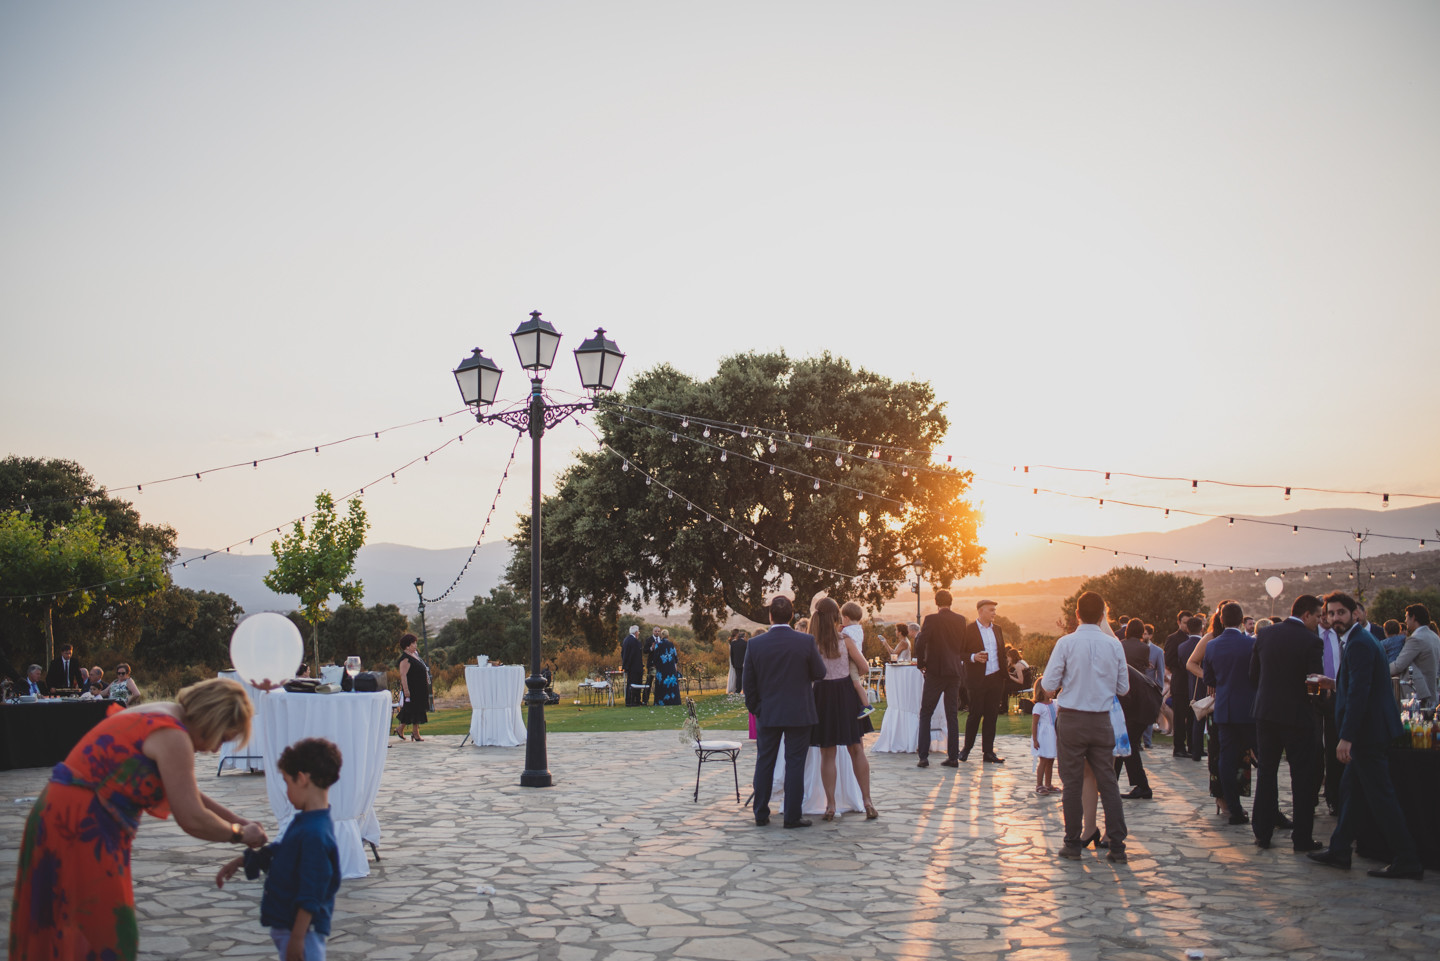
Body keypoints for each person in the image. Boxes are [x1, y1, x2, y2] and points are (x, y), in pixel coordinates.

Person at [9, 678, 268, 959]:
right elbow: (191, 816)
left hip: (59, 813)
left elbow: (184, 788)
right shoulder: (173, 735)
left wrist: (237, 819)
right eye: (223, 737)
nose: (217, 749)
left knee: (66, 928)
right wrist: (239, 834)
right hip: (83, 827)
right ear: (214, 718)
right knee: (107, 935)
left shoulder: (161, 713)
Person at [1308, 592, 1423, 880]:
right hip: (1371, 731)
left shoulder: (1358, 643)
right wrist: (1331, 682)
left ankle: (1407, 858)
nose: (1335, 618)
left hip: (1367, 735)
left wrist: (1346, 737)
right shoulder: (1359, 641)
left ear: (1354, 614)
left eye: (1341, 613)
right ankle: (1340, 850)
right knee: (1352, 794)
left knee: (1381, 798)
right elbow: (1359, 681)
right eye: (1331, 614)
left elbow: (1361, 694)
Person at [218, 738, 342, 961]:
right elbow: (285, 852)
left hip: (304, 932)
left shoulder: (315, 833)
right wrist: (243, 861)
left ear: (302, 779)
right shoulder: (307, 821)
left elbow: (313, 889)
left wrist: (298, 937)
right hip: (291, 926)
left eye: (287, 783)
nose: (286, 792)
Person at [1041, 591, 1130, 863]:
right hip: (1101, 720)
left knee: (1072, 782)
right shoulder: (1114, 645)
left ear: (1077, 614)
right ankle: (1117, 846)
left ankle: (1072, 843)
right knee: (1108, 782)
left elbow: (1047, 685)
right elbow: (1123, 688)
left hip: (1071, 719)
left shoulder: (1066, 643)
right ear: (1103, 614)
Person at [1249, 594, 1325, 852]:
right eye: (1317, 616)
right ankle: (1301, 839)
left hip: (1266, 714)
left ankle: (1262, 832)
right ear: (1305, 615)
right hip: (1298, 717)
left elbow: (1253, 675)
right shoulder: (1312, 641)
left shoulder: (1266, 635)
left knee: (1267, 773)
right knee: (1301, 777)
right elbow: (1313, 684)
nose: (1320, 620)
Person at [744, 595, 825, 828]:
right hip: (799, 712)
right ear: (792, 616)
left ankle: (760, 813)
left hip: (768, 712)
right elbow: (819, 672)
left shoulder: (755, 644)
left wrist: (757, 708)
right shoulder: (806, 642)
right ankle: (791, 815)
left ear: (770, 616)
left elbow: (748, 683)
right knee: (795, 764)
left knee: (764, 762)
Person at [811, 598, 878, 820]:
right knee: (856, 749)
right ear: (836, 617)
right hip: (845, 695)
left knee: (827, 753)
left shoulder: (812, 642)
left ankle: (830, 805)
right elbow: (864, 666)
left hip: (822, 697)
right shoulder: (845, 640)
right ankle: (867, 801)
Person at [1203, 602, 1258, 824]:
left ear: (1222, 620)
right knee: (1260, 756)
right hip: (1249, 709)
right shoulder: (1251, 644)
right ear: (1242, 619)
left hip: (1224, 709)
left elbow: (1209, 679)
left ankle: (1234, 809)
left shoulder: (1213, 646)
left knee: (1226, 759)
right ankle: (1267, 808)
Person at [912, 589, 968, 768]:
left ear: (936, 602)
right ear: (951, 601)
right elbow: (962, 645)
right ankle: (953, 756)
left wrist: (921, 663)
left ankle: (923, 756)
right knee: (952, 714)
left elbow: (920, 642)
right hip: (954, 671)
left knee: (926, 712)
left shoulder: (931, 619)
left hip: (935, 671)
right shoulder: (960, 620)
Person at [960, 599, 1006, 763]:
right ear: (980, 611)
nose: (994, 613)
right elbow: (959, 653)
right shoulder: (969, 630)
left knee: (992, 716)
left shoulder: (998, 630)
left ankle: (988, 753)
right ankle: (966, 749)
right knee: (975, 715)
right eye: (991, 610)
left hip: (995, 679)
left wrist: (1003, 675)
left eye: (995, 609)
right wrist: (973, 657)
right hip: (977, 680)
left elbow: (1002, 653)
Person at [1391, 604, 1439, 709]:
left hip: (1418, 695)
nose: (1405, 620)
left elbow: (1399, 665)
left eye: (1406, 617)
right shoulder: (1435, 637)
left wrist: (1379, 668)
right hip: (1434, 692)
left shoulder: (1416, 639)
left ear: (1413, 617)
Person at [1165, 611, 1196, 758]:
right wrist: (1186, 665)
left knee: (1192, 717)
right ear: (1179, 622)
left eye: (1189, 622)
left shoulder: (1196, 638)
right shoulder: (1173, 639)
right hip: (1180, 683)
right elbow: (1169, 660)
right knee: (1179, 718)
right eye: (1184, 622)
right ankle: (1179, 747)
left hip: (1193, 684)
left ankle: (1193, 746)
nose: (1187, 625)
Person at [839, 602, 877, 720]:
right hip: (859, 656)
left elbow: (841, 638)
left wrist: (840, 631)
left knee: (856, 683)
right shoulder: (859, 629)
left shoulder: (846, 632)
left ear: (846, 618)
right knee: (856, 682)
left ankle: (866, 706)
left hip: (852, 660)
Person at [1176, 616, 1206, 761]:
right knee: (1201, 718)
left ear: (1188, 628)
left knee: (1192, 718)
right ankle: (1198, 749)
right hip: (1204, 684)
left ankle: (1194, 748)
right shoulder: (1206, 644)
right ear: (1202, 628)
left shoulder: (1181, 647)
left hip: (1189, 685)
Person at [395, 633, 430, 741]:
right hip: (412, 688)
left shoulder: (415, 654)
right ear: (407, 646)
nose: (415, 645)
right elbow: (403, 675)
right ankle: (414, 732)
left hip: (420, 688)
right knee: (411, 710)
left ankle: (401, 729)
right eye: (413, 643)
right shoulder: (405, 659)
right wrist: (406, 690)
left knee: (416, 710)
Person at [1032, 679, 1058, 796]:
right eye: (1050, 689)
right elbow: (1034, 724)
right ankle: (1039, 784)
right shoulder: (1038, 706)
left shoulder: (1054, 703)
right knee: (1043, 760)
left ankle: (1048, 784)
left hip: (1053, 735)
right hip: (1043, 736)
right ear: (1042, 690)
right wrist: (1035, 739)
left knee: (1051, 760)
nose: (1053, 691)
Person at [650, 629, 681, 706]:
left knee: (662, 685)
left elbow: (655, 658)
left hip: (662, 669)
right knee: (671, 684)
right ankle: (673, 701)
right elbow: (675, 657)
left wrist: (655, 664)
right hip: (671, 669)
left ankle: (661, 701)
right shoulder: (671, 644)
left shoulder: (658, 645)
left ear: (661, 636)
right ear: (668, 636)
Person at [621, 625, 644, 705]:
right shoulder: (635, 641)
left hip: (629, 666)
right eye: (638, 632)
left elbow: (623, 653)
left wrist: (625, 665)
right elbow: (634, 655)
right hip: (635, 667)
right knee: (635, 683)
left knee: (630, 683)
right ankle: (634, 700)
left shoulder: (626, 640)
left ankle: (630, 700)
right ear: (636, 632)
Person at [728, 629, 748, 695]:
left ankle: (738, 689)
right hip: (744, 663)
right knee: (744, 676)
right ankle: (744, 689)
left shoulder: (733, 643)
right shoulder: (746, 643)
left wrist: (733, 663)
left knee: (738, 677)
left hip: (736, 663)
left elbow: (732, 654)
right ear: (743, 636)